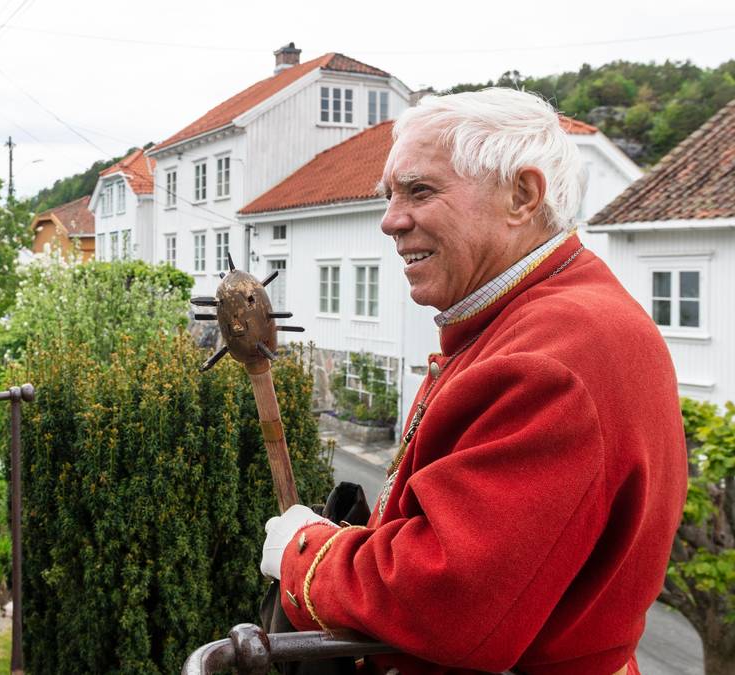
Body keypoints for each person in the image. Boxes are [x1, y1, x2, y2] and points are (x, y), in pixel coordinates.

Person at [259, 88, 688, 675]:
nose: (390, 220)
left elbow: (448, 599)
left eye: (420, 190)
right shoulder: (540, 320)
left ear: (523, 195)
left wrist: (305, 554)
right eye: (389, 195)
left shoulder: (559, 353)